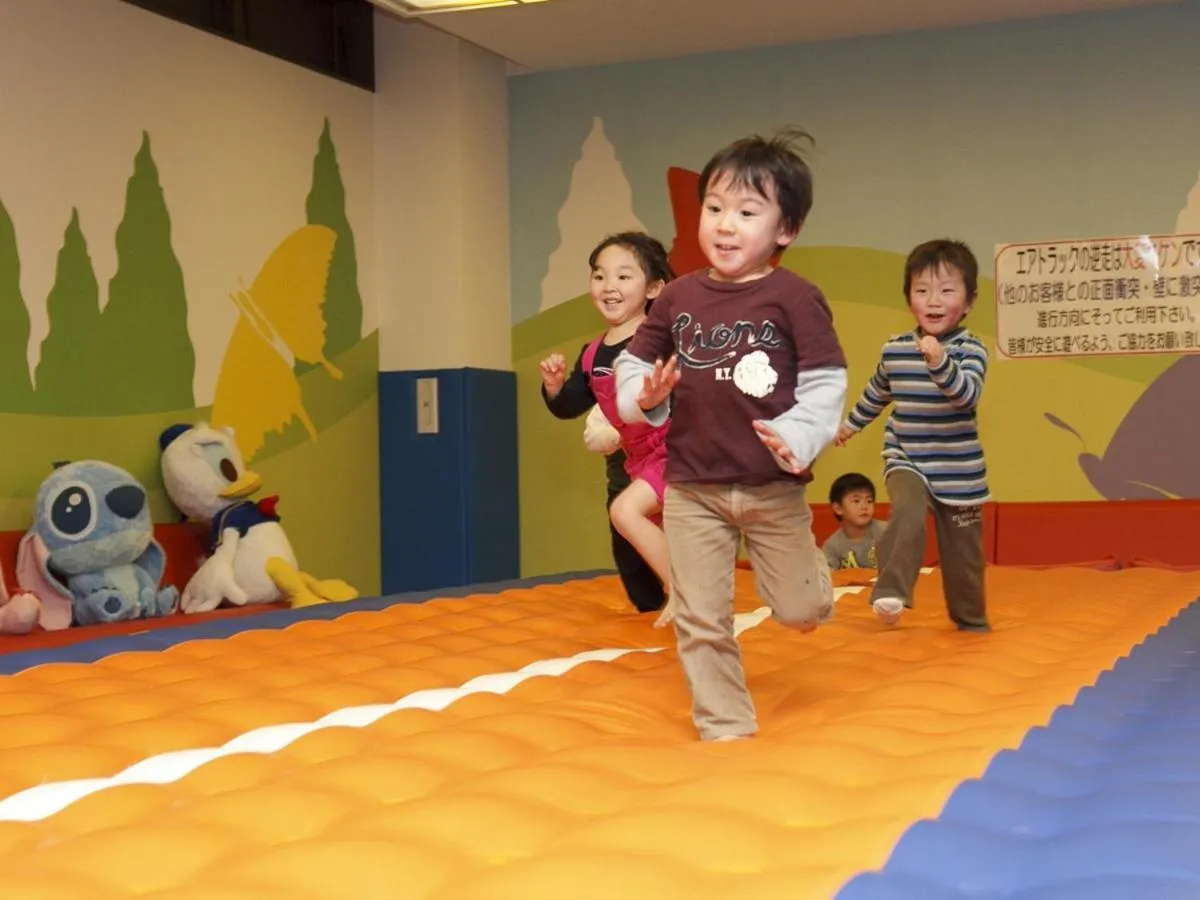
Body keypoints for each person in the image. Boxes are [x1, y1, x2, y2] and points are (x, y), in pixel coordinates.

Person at [614, 127, 847, 742]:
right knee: (700, 616)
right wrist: (644, 399)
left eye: (746, 212)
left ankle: (812, 584)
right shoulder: (678, 298)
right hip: (693, 488)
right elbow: (634, 367)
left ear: (785, 229)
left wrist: (797, 434)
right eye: (714, 208)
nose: (724, 224)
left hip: (772, 486)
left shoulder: (796, 297)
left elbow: (825, 383)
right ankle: (725, 725)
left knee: (800, 611)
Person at [834, 238, 990, 631]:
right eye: (922, 291)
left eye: (947, 291)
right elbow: (877, 392)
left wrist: (940, 362)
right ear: (909, 300)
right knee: (906, 512)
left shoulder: (972, 349)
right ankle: (891, 591)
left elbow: (966, 395)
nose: (934, 301)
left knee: (964, 555)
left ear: (969, 302)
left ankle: (971, 621)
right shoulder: (895, 350)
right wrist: (851, 424)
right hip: (907, 455)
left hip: (959, 470)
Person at [540, 232, 675, 621]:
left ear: (654, 288)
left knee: (626, 512)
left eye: (623, 276)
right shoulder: (593, 354)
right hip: (637, 460)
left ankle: (683, 593)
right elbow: (570, 406)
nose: (609, 286)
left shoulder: (662, 340)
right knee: (633, 531)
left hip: (677, 451)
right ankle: (669, 600)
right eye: (600, 276)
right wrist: (553, 388)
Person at [581, 405, 668, 614]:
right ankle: (649, 603)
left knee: (681, 538)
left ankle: (684, 588)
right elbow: (592, 438)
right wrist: (621, 433)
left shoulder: (664, 398)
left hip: (665, 482)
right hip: (624, 487)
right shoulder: (607, 405)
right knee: (629, 552)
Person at [822, 472, 887, 570]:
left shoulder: (886, 532)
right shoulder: (832, 546)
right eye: (856, 501)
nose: (864, 507)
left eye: (869, 501)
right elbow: (826, 575)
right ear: (838, 508)